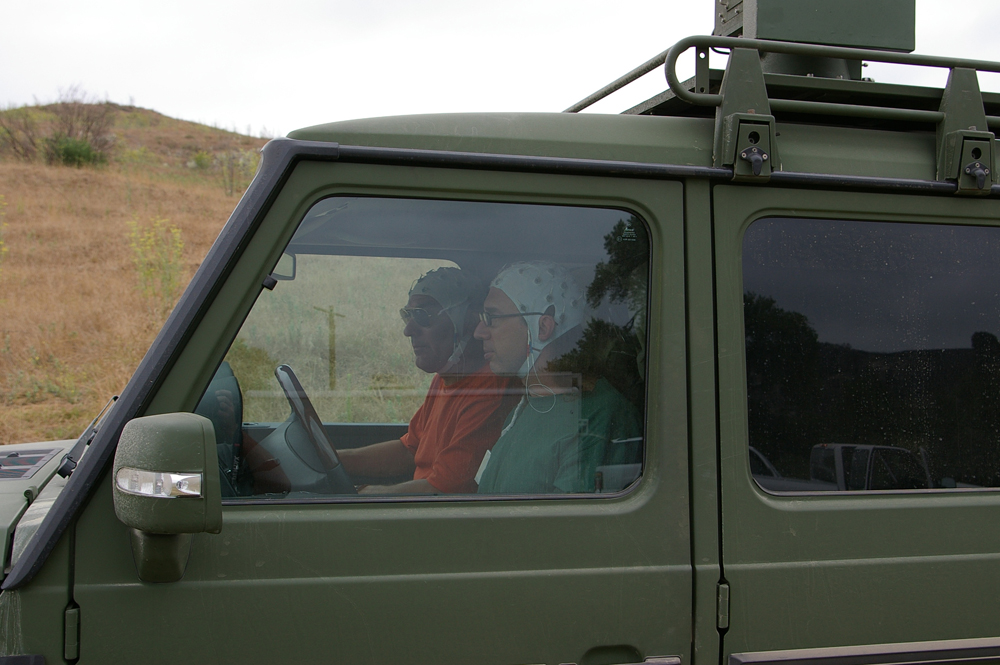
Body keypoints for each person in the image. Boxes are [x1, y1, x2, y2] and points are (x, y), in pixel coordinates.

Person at [337, 267, 517, 494]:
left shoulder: (491, 390)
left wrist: (364, 495)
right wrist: (333, 459)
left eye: (422, 315)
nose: (408, 330)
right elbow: (410, 450)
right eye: (408, 315)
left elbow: (443, 490)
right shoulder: (448, 377)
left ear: (467, 323)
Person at [473, 261, 642, 494]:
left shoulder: (597, 418)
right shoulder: (528, 406)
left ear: (542, 328)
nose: (479, 331)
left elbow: (567, 526)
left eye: (492, 318)